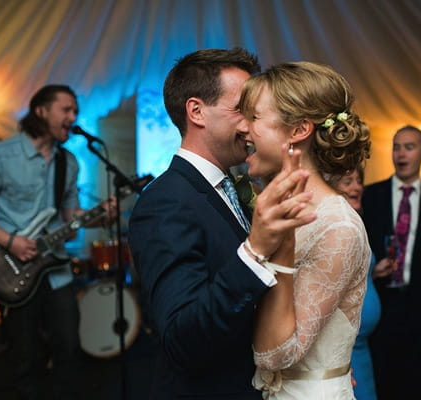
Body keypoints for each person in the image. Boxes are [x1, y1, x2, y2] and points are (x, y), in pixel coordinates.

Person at [127, 48, 314, 400]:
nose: (250, 125)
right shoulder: (165, 201)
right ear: (197, 111)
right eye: (242, 110)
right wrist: (254, 250)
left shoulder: (241, 188)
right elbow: (182, 339)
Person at [0, 84, 116, 399]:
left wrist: (100, 216)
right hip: (12, 266)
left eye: (75, 112)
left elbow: (70, 215)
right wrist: (10, 241)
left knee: (69, 345)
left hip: (55, 269)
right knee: (25, 353)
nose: (73, 117)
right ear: (41, 111)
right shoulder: (0, 155)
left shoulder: (68, 162)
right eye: (66, 110)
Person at [237, 61, 371, 399]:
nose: (242, 128)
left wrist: (281, 248)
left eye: (254, 117)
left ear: (298, 131)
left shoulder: (337, 227)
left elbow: (275, 354)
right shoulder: (269, 211)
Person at [362, 125, 421, 399]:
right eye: (396, 146)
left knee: (418, 383)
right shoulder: (370, 196)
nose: (401, 154)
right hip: (378, 305)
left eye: (409, 147)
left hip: (420, 308)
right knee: (381, 381)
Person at [329, 167, 391, 400]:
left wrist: (372, 273)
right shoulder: (332, 228)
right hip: (342, 353)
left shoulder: (354, 223)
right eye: (348, 181)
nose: (357, 187)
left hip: (361, 348)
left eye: (358, 181)